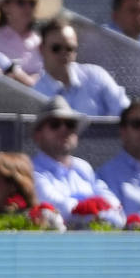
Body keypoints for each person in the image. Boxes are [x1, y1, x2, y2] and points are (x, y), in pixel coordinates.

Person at [29, 96, 123, 228]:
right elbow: (61, 208)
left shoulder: (83, 167)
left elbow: (112, 201)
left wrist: (100, 208)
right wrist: (100, 209)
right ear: (38, 135)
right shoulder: (31, 170)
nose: (64, 130)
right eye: (55, 124)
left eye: (70, 125)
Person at [33, 18, 128, 118]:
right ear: (41, 49)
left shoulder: (96, 76)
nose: (64, 53)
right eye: (56, 48)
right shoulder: (35, 92)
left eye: (70, 48)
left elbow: (125, 111)